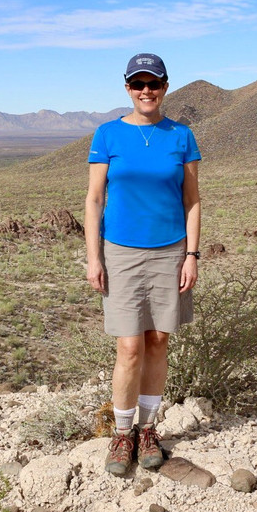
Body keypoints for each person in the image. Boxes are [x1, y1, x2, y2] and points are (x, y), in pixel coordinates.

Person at [84, 53, 201, 476]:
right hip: (121, 252)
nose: (146, 91)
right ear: (128, 88)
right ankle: (122, 434)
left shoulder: (181, 136)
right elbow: (94, 199)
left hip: (171, 250)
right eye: (138, 84)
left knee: (158, 341)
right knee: (129, 346)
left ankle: (149, 430)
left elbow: (192, 201)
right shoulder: (108, 134)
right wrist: (94, 257)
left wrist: (192, 255)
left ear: (165, 87)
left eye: (153, 83)